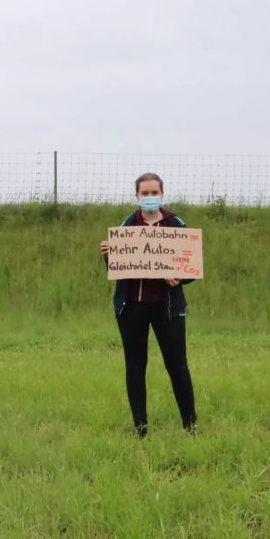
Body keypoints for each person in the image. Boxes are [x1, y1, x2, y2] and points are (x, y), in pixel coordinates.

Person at [100, 172, 198, 437]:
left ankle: (191, 425)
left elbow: (190, 268)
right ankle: (140, 427)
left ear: (162, 194)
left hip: (168, 309)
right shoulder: (127, 225)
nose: (150, 198)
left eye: (154, 193)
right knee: (135, 366)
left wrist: (179, 278)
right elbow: (118, 267)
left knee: (177, 365)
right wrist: (109, 256)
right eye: (145, 193)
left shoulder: (176, 224)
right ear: (137, 196)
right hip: (131, 308)